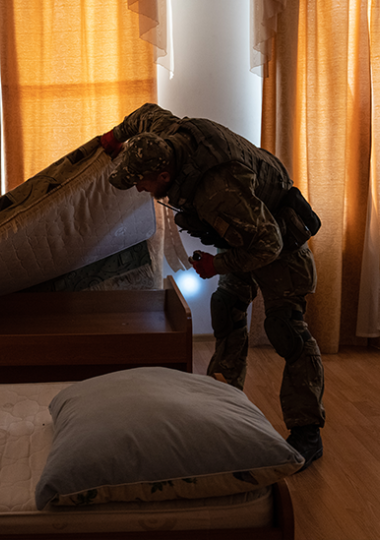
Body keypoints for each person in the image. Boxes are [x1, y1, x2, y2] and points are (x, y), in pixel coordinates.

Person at [99, 103, 326, 471]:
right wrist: (112, 139)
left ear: (164, 172)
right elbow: (144, 112)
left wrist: (216, 264)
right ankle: (224, 404)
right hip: (246, 231)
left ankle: (307, 432)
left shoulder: (218, 190)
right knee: (227, 309)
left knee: (288, 332)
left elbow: (268, 244)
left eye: (143, 181)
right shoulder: (165, 134)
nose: (141, 188)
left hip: (279, 243)